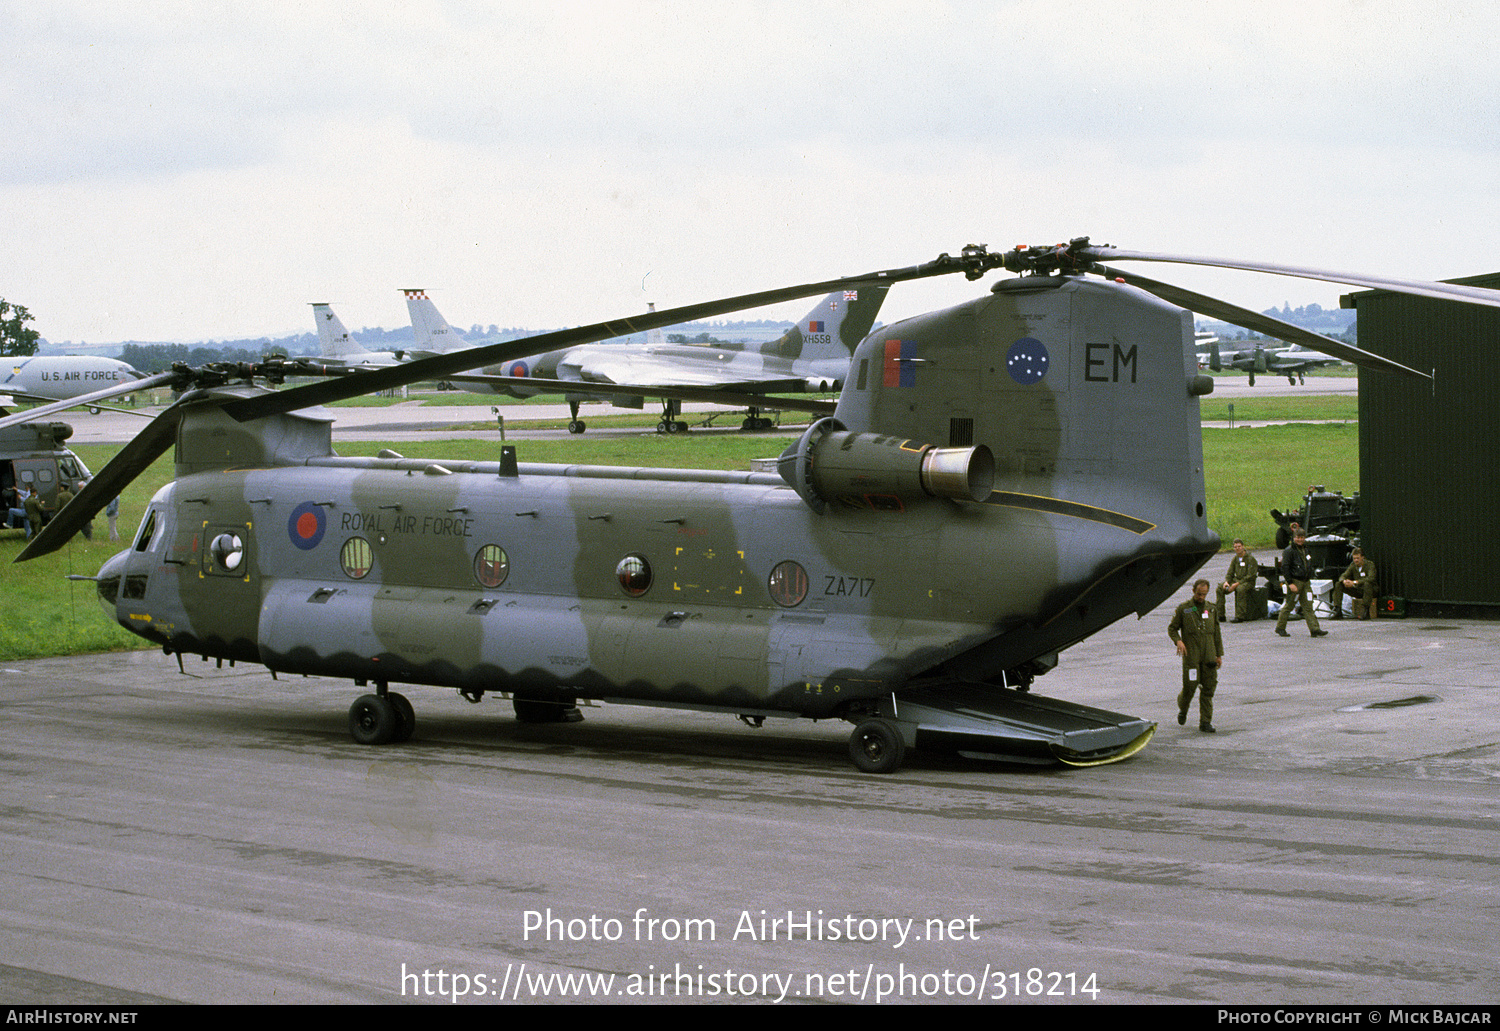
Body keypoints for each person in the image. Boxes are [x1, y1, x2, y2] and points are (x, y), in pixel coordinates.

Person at [1169, 579, 1224, 732]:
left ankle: (1205, 722)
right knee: (1190, 687)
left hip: (1209, 655)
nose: (1201, 597)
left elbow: (1216, 633)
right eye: (1199, 594)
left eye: (1204, 594)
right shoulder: (1184, 609)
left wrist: (1219, 654)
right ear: (1193, 591)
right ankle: (1183, 708)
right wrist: (1178, 641)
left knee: (1208, 688)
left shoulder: (1211, 609)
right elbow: (1172, 628)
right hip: (1192, 656)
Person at [1276, 527, 1328, 638]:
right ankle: (1280, 627)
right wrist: (1290, 583)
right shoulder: (1289, 551)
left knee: (1308, 606)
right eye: (1298, 537)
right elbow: (1285, 568)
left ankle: (1315, 629)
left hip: (1306, 582)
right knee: (1289, 605)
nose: (1300, 540)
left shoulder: (1306, 549)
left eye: (1302, 537)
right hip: (1295, 581)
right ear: (1294, 538)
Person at [1215, 538, 1258, 622]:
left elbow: (1251, 575)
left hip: (1248, 582)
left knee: (1240, 589)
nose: (1237, 548)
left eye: (1239, 546)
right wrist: (1227, 582)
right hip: (1237, 580)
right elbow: (1230, 573)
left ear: (1243, 547)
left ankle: (1240, 616)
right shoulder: (1235, 559)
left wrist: (1236, 584)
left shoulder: (1250, 559)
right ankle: (1220, 615)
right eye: (1235, 547)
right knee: (1220, 588)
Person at [1330, 547, 1376, 619]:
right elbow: (1343, 575)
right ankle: (1338, 610)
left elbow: (1371, 578)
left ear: (1362, 557)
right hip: (1357, 589)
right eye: (1354, 558)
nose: (1356, 560)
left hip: (1369, 590)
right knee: (1338, 584)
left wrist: (1354, 582)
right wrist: (1344, 581)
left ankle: (1366, 611)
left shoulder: (1369, 565)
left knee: (1367, 584)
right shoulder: (1353, 565)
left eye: (1358, 558)